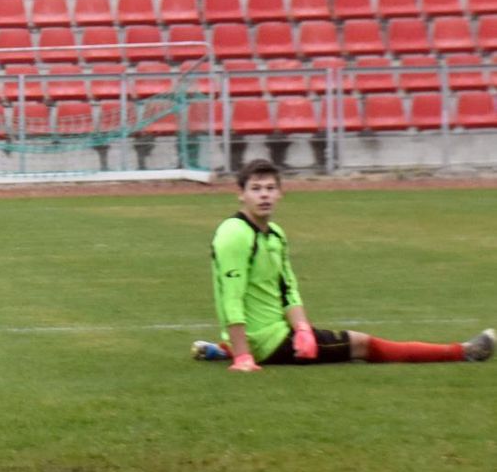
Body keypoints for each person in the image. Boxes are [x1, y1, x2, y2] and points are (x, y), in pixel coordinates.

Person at [194, 159, 494, 371]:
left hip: (278, 333)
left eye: (270, 188)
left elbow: (289, 289)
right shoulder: (234, 234)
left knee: (322, 337)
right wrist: (244, 358)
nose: (264, 195)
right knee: (365, 345)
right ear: (241, 194)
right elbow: (231, 298)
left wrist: (302, 329)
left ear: (280, 193)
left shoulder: (275, 235)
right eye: (256, 188)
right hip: (267, 343)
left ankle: (222, 348)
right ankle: (463, 352)